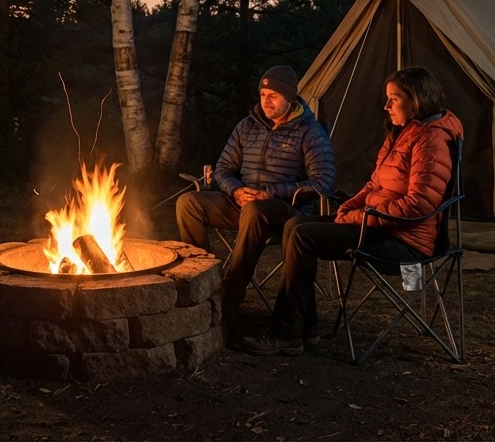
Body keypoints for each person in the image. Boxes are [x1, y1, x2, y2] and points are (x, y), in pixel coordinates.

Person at [240, 65, 463, 357]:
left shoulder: (430, 140)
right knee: (295, 225)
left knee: (303, 236)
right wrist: (349, 207)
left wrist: (360, 216)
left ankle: (287, 334)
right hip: (381, 224)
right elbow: (374, 184)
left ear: (416, 99)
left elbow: (418, 205)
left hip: (407, 241)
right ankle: (304, 330)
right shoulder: (403, 133)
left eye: (393, 99)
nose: (386, 106)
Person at [175, 65, 336, 324]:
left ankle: (231, 293)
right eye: (262, 94)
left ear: (290, 97)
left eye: (273, 95)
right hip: (243, 203)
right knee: (188, 202)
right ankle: (199, 278)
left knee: (255, 209)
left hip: (285, 212)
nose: (266, 101)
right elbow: (224, 169)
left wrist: (269, 193)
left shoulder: (309, 132)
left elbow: (323, 183)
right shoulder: (247, 126)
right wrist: (236, 190)